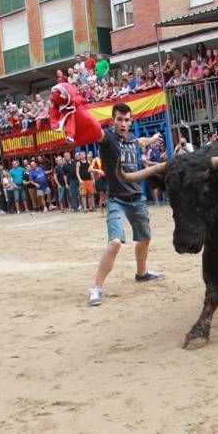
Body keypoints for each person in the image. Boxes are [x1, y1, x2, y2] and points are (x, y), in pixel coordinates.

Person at [88, 103, 164, 306]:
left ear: (131, 121)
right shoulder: (107, 139)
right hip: (116, 199)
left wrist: (153, 139)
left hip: (137, 198)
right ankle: (96, 289)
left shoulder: (131, 139)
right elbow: (94, 130)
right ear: (113, 120)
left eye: (127, 119)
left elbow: (141, 141)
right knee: (114, 242)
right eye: (119, 119)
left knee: (145, 238)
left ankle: (142, 273)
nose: (123, 123)